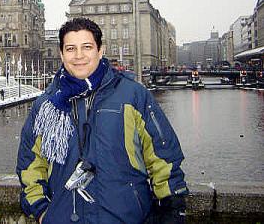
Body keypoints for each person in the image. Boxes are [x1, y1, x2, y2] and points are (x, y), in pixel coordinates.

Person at [16, 17, 188, 224]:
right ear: (61, 54)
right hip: (63, 217)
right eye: (71, 49)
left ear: (100, 50)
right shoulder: (46, 105)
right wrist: (42, 211)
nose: (79, 56)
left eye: (86, 47)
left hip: (124, 218)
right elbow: (30, 163)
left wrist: (172, 207)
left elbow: (163, 155)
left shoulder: (133, 95)